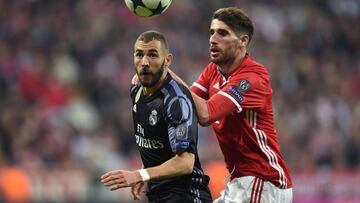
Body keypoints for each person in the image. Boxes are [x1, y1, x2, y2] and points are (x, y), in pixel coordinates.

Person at [169, 7, 293, 203]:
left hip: (263, 181)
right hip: (241, 182)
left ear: (243, 41)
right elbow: (184, 103)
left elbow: (206, 114)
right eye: (212, 32)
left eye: (223, 33)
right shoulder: (213, 71)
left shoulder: (252, 77)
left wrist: (164, 75)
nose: (213, 39)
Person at [101, 30, 212, 203]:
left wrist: (139, 175)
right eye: (139, 54)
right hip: (158, 193)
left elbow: (185, 162)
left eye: (152, 55)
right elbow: (160, 141)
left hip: (185, 195)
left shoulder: (176, 100)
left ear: (167, 60)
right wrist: (146, 171)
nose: (144, 62)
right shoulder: (136, 91)